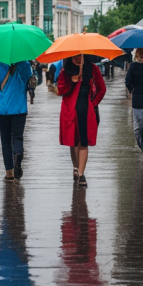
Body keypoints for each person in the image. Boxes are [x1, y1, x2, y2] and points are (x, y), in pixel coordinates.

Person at [57, 56, 106, 187]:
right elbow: (60, 89)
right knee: (72, 141)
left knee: (83, 141)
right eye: (75, 57)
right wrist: (71, 81)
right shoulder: (65, 70)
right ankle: (75, 167)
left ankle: (81, 173)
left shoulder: (92, 68)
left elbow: (102, 89)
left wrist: (93, 104)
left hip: (85, 109)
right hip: (69, 111)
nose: (78, 59)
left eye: (80, 56)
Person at [0, 60, 33, 181]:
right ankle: (18, 154)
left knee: (6, 140)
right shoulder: (25, 64)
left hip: (3, 109)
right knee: (18, 137)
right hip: (19, 108)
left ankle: (9, 172)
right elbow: (31, 82)